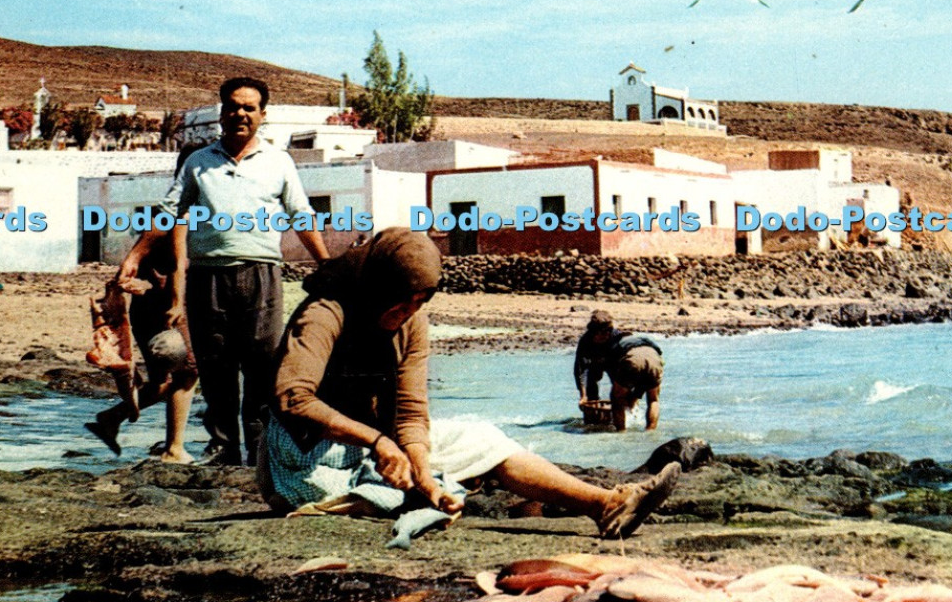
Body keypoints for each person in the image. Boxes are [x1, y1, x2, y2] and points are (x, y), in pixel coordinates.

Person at [260, 228, 680, 539]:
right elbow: (292, 398)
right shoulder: (325, 312)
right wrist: (378, 443)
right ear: (376, 286)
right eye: (400, 300)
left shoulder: (413, 322)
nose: (407, 312)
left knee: (483, 440)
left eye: (419, 303)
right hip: (303, 451)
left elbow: (409, 412)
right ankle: (381, 495)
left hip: (373, 444)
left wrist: (421, 471)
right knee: (364, 481)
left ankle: (605, 504)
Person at [165, 77, 332, 466]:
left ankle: (260, 451)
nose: (240, 114)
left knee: (262, 364)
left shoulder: (280, 161)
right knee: (215, 364)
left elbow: (301, 216)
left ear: (262, 115)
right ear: (222, 113)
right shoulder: (198, 162)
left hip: (262, 274)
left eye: (249, 108)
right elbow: (171, 213)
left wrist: (327, 264)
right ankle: (223, 447)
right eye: (233, 107)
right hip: (207, 275)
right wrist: (140, 261)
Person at [84, 225, 200, 462]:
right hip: (165, 308)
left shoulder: (170, 225)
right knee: (187, 374)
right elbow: (168, 264)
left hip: (152, 308)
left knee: (163, 382)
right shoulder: (175, 219)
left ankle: (111, 418)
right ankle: (174, 449)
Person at [573, 309, 663, 431]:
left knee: (617, 399)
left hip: (628, 359)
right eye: (602, 332)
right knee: (653, 400)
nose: (606, 334)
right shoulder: (586, 341)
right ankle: (650, 432)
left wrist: (633, 396)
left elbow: (624, 369)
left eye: (608, 331)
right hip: (653, 356)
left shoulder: (616, 337)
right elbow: (580, 369)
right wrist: (583, 396)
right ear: (594, 332)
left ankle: (621, 433)